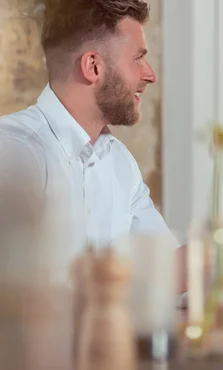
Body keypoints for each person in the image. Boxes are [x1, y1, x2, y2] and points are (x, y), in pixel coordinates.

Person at [0, 0, 180, 281]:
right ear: (93, 66)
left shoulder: (119, 162)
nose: (150, 75)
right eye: (138, 58)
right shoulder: (14, 152)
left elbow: (167, 270)